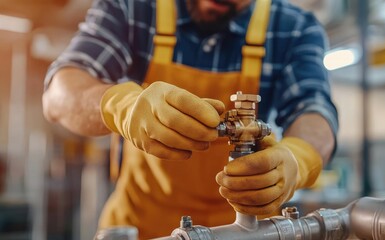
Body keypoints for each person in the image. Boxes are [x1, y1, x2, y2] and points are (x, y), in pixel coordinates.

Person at [42, 0, 338, 238]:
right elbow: (59, 93)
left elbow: (315, 111)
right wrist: (121, 106)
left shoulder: (295, 28)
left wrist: (299, 159)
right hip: (142, 226)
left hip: (246, 231)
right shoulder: (132, 8)